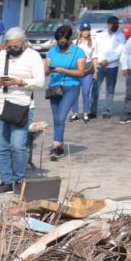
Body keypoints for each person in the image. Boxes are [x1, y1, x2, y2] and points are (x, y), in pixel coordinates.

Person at [0, 27, 44, 193]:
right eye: (9, 46)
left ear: (23, 43)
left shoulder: (33, 56)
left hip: (21, 106)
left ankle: (19, 179)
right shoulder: (1, 55)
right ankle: (6, 181)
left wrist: (20, 82)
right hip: (0, 105)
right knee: (1, 146)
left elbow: (40, 81)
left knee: (17, 146)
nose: (12, 49)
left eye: (16, 46)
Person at [44, 25, 86, 161]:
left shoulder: (78, 52)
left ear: (69, 39)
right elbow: (45, 70)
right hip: (55, 87)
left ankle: (56, 146)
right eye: (58, 41)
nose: (60, 44)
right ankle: (59, 143)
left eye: (63, 41)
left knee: (61, 117)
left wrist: (64, 70)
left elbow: (81, 72)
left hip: (71, 86)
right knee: (56, 117)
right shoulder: (52, 51)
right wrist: (48, 70)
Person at [91, 16, 125, 118]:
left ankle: (107, 110)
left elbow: (119, 51)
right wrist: (97, 62)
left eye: (116, 24)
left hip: (112, 66)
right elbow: (95, 50)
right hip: (99, 66)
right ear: (108, 24)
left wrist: (108, 60)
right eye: (112, 24)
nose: (114, 26)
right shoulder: (100, 36)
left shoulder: (121, 36)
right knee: (95, 89)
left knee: (110, 89)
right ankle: (93, 110)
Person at [70, 23, 95, 123]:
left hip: (88, 68)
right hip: (76, 68)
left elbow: (94, 56)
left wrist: (96, 70)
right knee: (75, 92)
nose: (86, 32)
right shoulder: (75, 42)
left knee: (86, 92)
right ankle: (75, 113)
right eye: (84, 30)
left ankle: (86, 113)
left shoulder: (93, 42)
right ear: (80, 31)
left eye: (87, 30)